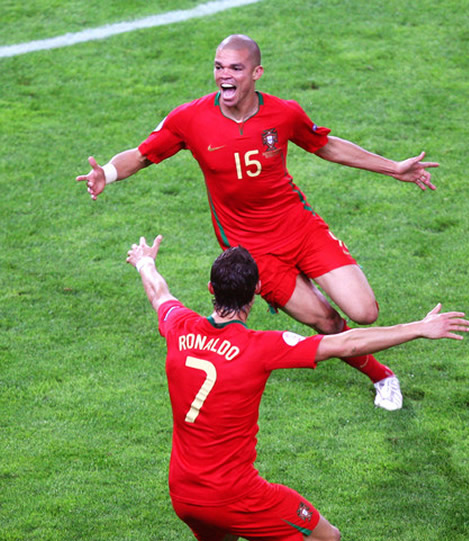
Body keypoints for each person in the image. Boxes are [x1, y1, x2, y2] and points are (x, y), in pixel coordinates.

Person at [126, 234, 469, 541]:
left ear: (211, 290)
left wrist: (143, 262)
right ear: (253, 295)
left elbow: (161, 293)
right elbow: (346, 343)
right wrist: (418, 328)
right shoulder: (261, 347)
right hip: (232, 494)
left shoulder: (180, 327)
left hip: (183, 491)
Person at [78, 34, 439, 411]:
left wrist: (392, 167)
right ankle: (383, 376)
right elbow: (141, 155)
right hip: (255, 254)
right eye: (219, 67)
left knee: (366, 312)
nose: (224, 76)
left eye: (235, 68)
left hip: (301, 229)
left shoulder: (284, 114)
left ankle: (323, 271)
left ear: (256, 72)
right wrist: (106, 172)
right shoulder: (190, 119)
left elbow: (325, 146)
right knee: (328, 323)